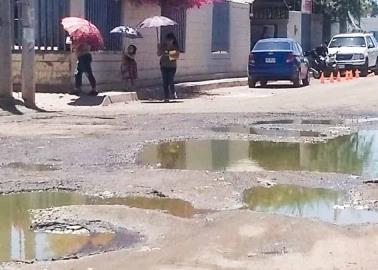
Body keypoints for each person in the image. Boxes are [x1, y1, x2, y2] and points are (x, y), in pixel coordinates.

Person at [158, 33, 180, 102]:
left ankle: (173, 92)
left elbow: (174, 56)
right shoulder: (163, 46)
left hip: (172, 66)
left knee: (170, 79)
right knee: (165, 81)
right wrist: (159, 48)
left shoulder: (175, 47)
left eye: (170, 40)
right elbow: (158, 54)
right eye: (167, 40)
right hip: (164, 65)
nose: (168, 41)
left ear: (173, 40)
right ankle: (166, 97)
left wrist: (165, 53)